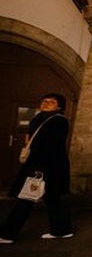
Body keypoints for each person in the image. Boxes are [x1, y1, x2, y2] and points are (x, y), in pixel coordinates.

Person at [0, 93, 73, 243]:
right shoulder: (39, 119)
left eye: (51, 102)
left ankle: (7, 234)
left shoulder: (58, 121)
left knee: (27, 197)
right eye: (44, 101)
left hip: (46, 165)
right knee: (51, 198)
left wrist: (40, 168)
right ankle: (62, 230)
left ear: (59, 106)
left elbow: (52, 146)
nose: (46, 104)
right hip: (41, 163)